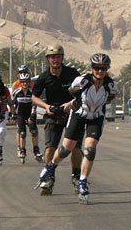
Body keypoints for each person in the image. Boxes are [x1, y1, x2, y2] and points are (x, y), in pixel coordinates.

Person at [38, 53, 116, 204]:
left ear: (107, 69)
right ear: (91, 68)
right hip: (79, 115)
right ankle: (51, 166)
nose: (100, 71)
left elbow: (110, 98)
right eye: (96, 68)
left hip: (97, 117)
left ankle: (83, 181)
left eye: (103, 68)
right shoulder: (82, 81)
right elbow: (72, 93)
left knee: (90, 150)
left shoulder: (111, 85)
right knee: (66, 149)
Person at [32, 44, 82, 194]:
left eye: (58, 57)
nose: (55, 60)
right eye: (52, 57)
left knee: (76, 147)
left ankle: (76, 176)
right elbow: (33, 97)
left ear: (62, 58)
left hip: (72, 114)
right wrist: (46, 106)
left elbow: (82, 93)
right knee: (50, 148)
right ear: (48, 59)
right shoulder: (44, 77)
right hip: (53, 115)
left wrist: (70, 104)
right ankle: (49, 177)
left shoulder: (72, 73)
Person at [12, 72, 43, 163]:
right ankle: (22, 150)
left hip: (30, 113)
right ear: (20, 83)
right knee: (22, 133)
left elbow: (34, 104)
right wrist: (13, 115)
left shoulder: (32, 92)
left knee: (34, 132)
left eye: (26, 82)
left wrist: (32, 116)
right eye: (23, 82)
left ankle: (36, 150)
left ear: (29, 82)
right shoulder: (17, 92)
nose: (25, 84)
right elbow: (12, 104)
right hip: (20, 114)